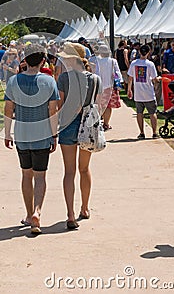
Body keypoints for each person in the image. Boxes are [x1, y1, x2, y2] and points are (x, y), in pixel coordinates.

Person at [4, 44, 59, 234]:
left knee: (26, 175)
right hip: (42, 134)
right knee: (40, 176)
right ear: (43, 61)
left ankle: (28, 214)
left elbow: (8, 109)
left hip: (22, 134)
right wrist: (54, 134)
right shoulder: (49, 82)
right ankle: (37, 212)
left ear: (24, 60)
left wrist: (7, 133)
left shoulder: (13, 81)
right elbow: (53, 111)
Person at [57, 42, 101, 229]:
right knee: (84, 169)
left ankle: (70, 214)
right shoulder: (96, 79)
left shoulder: (64, 78)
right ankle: (85, 207)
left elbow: (60, 105)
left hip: (68, 124)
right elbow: (95, 103)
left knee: (69, 171)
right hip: (88, 125)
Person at [127, 44, 160, 139]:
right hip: (149, 92)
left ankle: (141, 132)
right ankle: (154, 133)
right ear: (148, 52)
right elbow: (154, 79)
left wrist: (129, 89)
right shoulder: (150, 64)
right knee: (152, 113)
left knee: (139, 113)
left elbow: (130, 78)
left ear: (139, 52)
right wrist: (158, 79)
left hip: (138, 93)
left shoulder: (134, 63)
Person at [95, 44, 122, 131]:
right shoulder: (113, 61)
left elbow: (96, 73)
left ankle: (98, 122)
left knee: (98, 105)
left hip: (99, 86)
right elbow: (117, 73)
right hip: (110, 86)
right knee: (108, 106)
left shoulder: (97, 61)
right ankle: (106, 124)